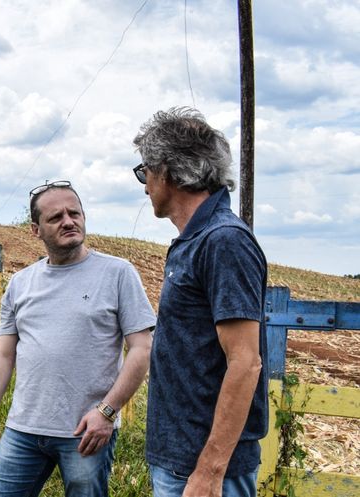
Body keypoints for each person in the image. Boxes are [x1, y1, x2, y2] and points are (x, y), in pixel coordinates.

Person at [0, 181, 156, 497]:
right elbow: (2, 354)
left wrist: (107, 412)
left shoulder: (117, 273)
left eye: (74, 213)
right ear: (36, 230)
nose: (68, 221)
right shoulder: (20, 283)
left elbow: (142, 348)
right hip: (23, 429)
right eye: (56, 217)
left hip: (87, 431)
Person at [133, 107, 268, 497]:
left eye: (145, 172)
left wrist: (210, 469)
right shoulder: (198, 238)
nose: (144, 186)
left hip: (203, 469)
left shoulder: (224, 240)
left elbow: (246, 362)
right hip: (182, 458)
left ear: (168, 171)